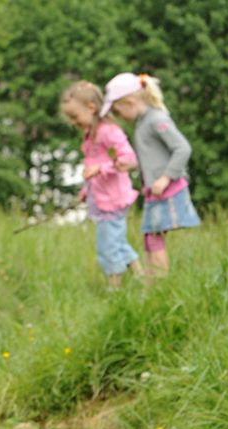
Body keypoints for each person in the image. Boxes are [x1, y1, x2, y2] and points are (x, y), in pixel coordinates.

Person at [102, 72, 201, 277]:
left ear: (129, 102)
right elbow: (154, 158)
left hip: (167, 190)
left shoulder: (156, 119)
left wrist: (165, 178)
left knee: (154, 238)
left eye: (118, 111)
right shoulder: (143, 123)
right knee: (150, 238)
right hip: (154, 192)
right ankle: (151, 284)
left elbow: (183, 148)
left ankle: (160, 284)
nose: (119, 117)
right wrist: (132, 165)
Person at [60, 81, 144, 288]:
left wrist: (101, 168)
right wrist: (86, 192)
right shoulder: (91, 134)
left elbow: (128, 159)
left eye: (75, 116)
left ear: (91, 107)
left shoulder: (109, 132)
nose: (73, 122)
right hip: (100, 198)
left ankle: (114, 287)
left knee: (107, 246)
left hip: (113, 199)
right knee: (117, 241)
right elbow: (93, 166)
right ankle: (141, 277)